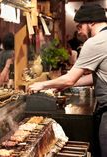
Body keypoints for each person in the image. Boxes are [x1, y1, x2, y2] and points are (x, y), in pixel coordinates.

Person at [28, 4, 107, 157]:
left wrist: (43, 84)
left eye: (79, 26)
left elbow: (70, 79)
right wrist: (62, 85)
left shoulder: (95, 42)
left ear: (91, 23)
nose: (79, 32)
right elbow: (97, 76)